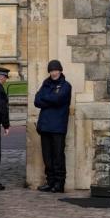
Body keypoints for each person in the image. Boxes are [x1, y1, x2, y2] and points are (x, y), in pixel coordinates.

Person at [34, 59, 72, 193]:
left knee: (58, 156)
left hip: (58, 127)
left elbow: (58, 100)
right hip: (45, 126)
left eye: (56, 70)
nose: (54, 73)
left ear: (60, 71)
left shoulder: (66, 86)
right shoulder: (46, 83)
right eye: (51, 70)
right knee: (47, 157)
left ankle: (59, 183)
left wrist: (46, 98)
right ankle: (50, 182)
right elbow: (37, 101)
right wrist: (49, 99)